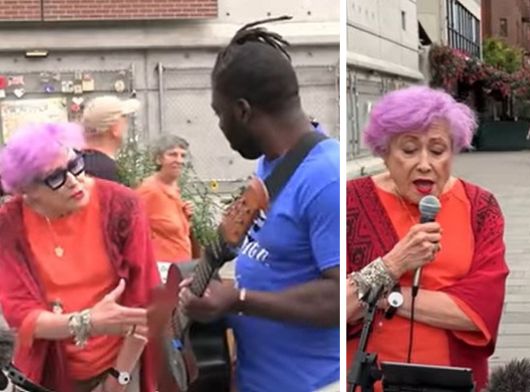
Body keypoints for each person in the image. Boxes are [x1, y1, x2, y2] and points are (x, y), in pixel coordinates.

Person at [179, 17, 340, 391]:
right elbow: (278, 267)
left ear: (243, 110)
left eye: (219, 113)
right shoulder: (271, 165)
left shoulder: (324, 177)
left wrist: (237, 299)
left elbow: (340, 297)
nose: (220, 126)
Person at [345, 86, 509, 391]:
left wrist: (383, 296)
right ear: (384, 152)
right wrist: (394, 263)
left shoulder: (480, 207)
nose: (424, 164)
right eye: (408, 150)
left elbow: (479, 312)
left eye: (437, 150)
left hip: (452, 382)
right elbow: (332, 309)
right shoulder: (349, 202)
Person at [0, 122, 160, 392]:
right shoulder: (9, 223)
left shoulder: (122, 204)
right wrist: (87, 322)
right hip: (48, 367)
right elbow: (20, 313)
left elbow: (145, 300)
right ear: (27, 191)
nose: (75, 181)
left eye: (75, 164)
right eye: (55, 177)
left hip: (120, 362)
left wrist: (119, 377)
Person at [135, 134, 196, 263]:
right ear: (158, 159)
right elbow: (132, 230)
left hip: (180, 265)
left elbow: (175, 231)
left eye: (182, 155)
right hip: (161, 268)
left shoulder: (173, 187)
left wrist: (186, 218)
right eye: (173, 154)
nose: (179, 160)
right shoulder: (149, 190)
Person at [81, 96, 140, 184]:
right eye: (123, 117)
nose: (127, 122)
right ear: (114, 128)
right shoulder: (105, 171)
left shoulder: (77, 162)